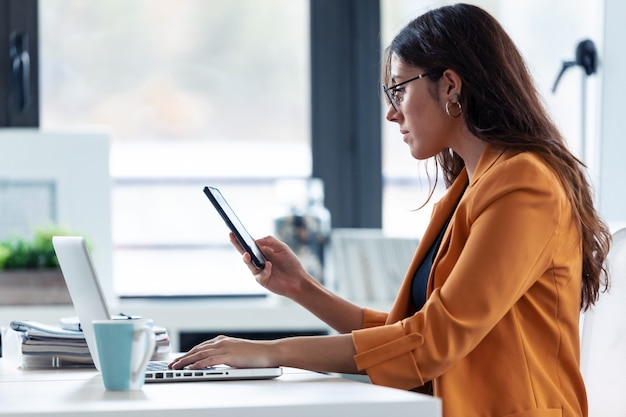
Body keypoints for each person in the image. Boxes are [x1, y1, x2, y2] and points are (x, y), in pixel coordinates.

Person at [170, 4, 611, 416]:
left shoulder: (524, 186)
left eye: (398, 89)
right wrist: (302, 288)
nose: (390, 113)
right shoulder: (471, 188)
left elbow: (429, 343)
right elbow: (410, 330)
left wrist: (271, 351)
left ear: (451, 85)